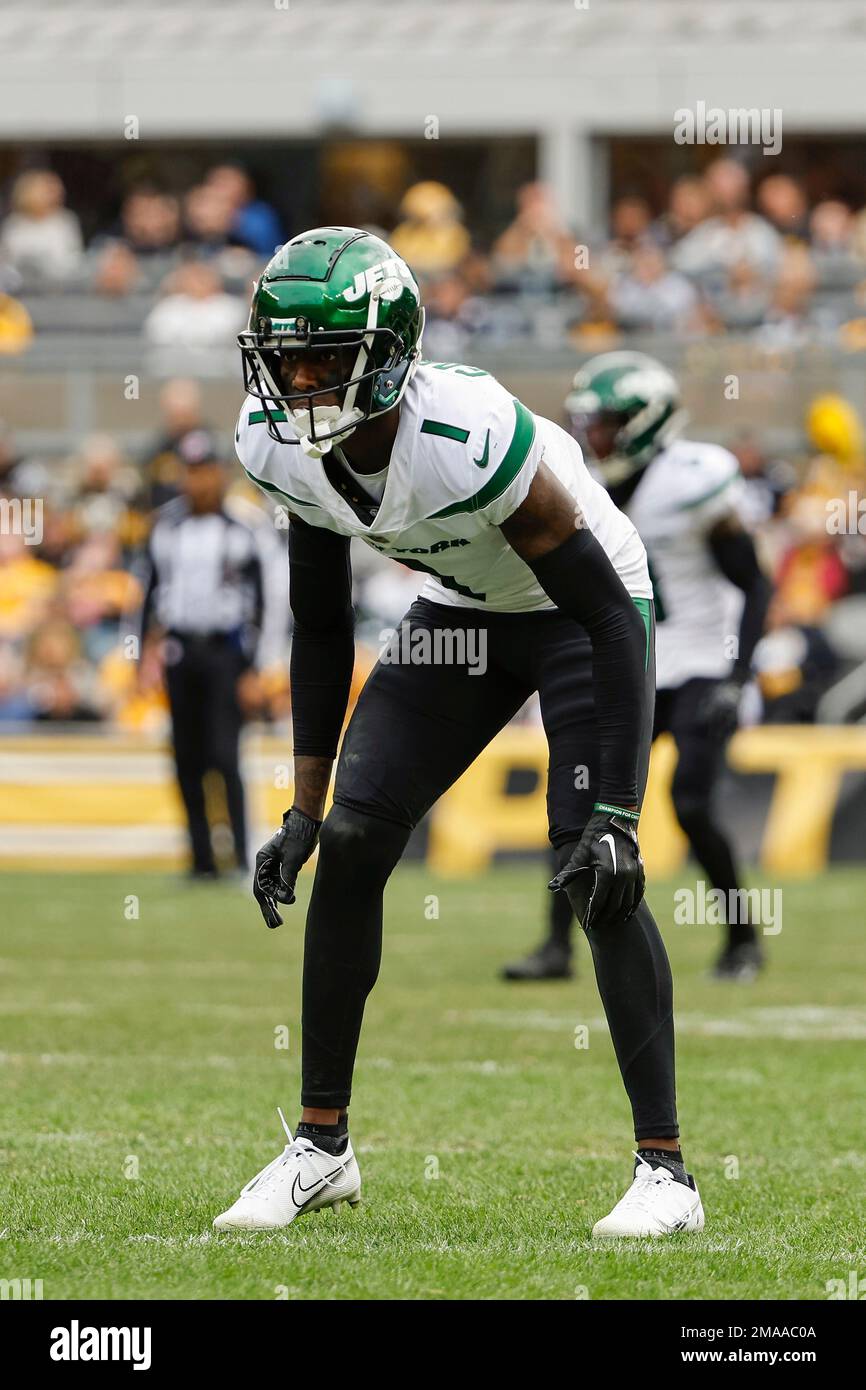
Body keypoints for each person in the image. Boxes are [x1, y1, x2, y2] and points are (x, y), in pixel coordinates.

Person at [212, 227, 704, 1239]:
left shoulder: (465, 433)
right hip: (464, 612)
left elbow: (611, 615)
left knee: (590, 866)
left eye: (321, 359)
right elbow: (316, 623)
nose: (296, 381)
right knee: (351, 839)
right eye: (283, 357)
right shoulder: (276, 445)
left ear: (387, 358)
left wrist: (617, 806)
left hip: (579, 611)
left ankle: (666, 1174)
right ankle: (320, 1146)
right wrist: (304, 807)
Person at [503, 353, 772, 985]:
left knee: (691, 804)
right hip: (634, 661)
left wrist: (738, 677)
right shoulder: (578, 480)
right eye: (589, 424)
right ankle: (555, 947)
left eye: (608, 423)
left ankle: (743, 941)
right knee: (583, 795)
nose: (595, 437)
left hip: (704, 660)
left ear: (646, 422)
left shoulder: (692, 480)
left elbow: (755, 586)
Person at [138, 429, 285, 879]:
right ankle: (201, 860)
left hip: (226, 655)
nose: (197, 481)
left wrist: (259, 666)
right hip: (181, 652)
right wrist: (142, 652)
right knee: (186, 757)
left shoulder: (247, 524)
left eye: (205, 471)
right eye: (190, 472)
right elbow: (146, 592)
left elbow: (272, 598)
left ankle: (241, 857)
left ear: (220, 473)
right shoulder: (166, 525)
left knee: (225, 756)